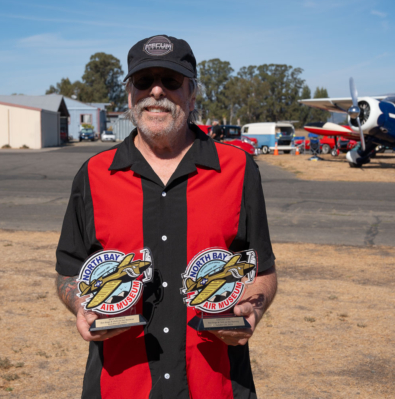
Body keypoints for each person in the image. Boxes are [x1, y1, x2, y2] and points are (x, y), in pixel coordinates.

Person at [55, 34, 277, 399]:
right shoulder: (94, 174)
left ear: (192, 94)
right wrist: (82, 305)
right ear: (131, 95)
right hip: (120, 387)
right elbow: (69, 269)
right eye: (144, 81)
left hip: (215, 387)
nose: (156, 91)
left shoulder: (238, 169)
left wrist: (252, 308)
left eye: (171, 81)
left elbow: (262, 270)